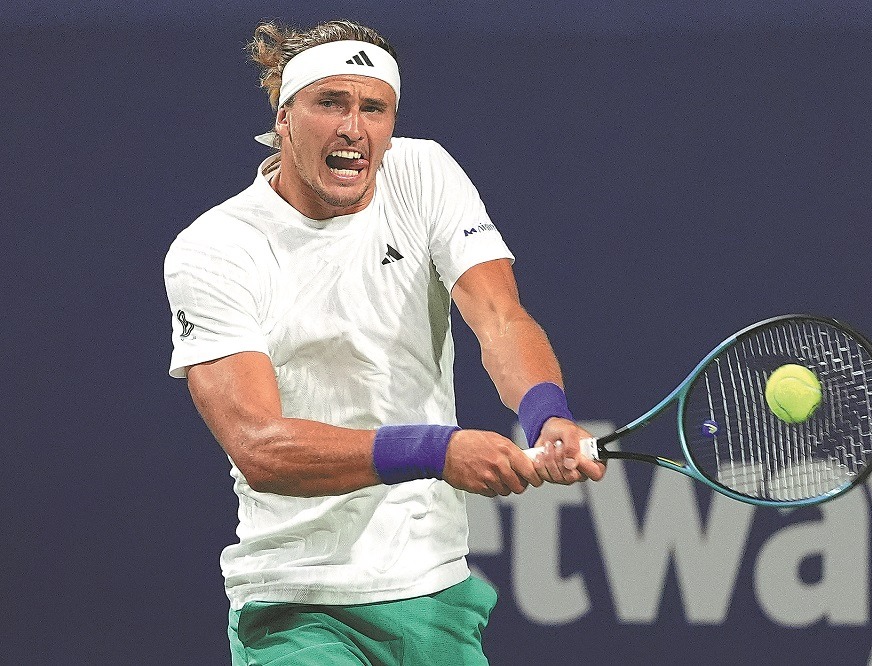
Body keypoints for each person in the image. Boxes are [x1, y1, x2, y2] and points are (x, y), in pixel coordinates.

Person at [164, 18, 604, 666]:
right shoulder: (216, 249)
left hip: (433, 589)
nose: (353, 128)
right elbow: (259, 446)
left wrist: (546, 413)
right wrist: (436, 450)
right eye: (330, 103)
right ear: (283, 118)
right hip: (296, 604)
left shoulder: (422, 173)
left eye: (373, 108)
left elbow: (499, 317)